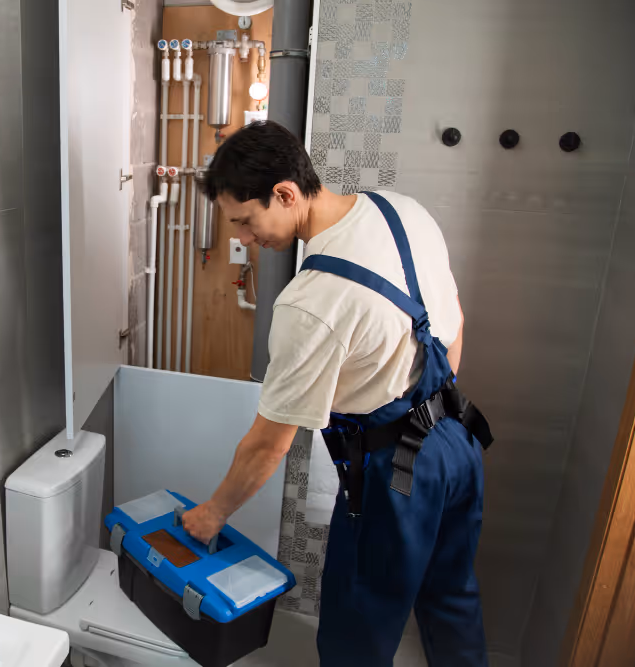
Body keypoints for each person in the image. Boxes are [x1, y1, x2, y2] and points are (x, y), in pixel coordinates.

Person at [181, 121, 492, 666]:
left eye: (247, 222)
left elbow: (267, 445)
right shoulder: (402, 211)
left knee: (357, 631)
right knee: (452, 600)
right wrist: (431, 412)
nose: (246, 240)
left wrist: (211, 516)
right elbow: (455, 319)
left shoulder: (311, 303)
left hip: (396, 475)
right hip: (458, 440)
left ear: (285, 193)